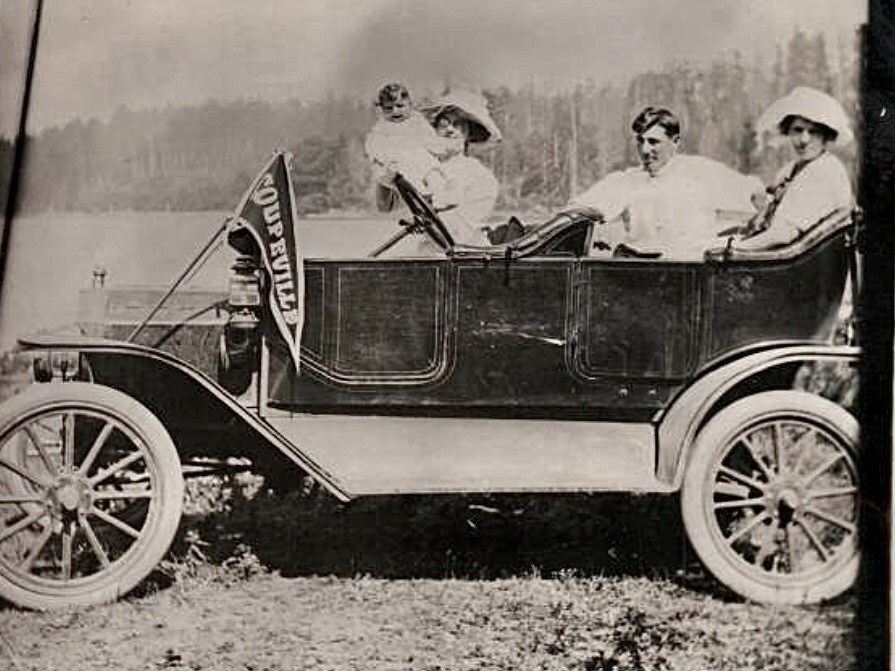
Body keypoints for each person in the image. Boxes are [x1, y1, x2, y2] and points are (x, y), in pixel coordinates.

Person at [565, 106, 762, 260]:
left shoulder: (703, 172)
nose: (645, 150)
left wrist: (754, 228)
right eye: (640, 141)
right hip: (643, 273)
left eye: (653, 142)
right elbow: (579, 209)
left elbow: (755, 194)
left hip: (692, 274)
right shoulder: (628, 181)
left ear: (675, 142)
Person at [735, 86, 854, 250]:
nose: (804, 140)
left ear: (826, 135)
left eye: (813, 132)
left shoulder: (824, 172)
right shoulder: (792, 168)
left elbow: (785, 234)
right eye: (798, 130)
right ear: (788, 131)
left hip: (804, 261)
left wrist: (736, 248)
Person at [421, 89, 501, 246]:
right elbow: (385, 206)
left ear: (468, 132)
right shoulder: (422, 168)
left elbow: (458, 234)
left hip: (465, 253)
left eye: (457, 124)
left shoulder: (481, 177)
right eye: (443, 124)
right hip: (426, 251)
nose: (449, 130)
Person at [364, 82, 461, 202]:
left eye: (400, 106)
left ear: (409, 105)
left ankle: (441, 196)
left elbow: (430, 139)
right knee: (406, 172)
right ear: (382, 109)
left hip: (419, 157)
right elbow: (372, 143)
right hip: (396, 162)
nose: (395, 111)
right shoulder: (382, 126)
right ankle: (423, 194)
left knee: (432, 171)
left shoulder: (416, 120)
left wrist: (444, 147)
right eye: (388, 108)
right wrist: (376, 156)